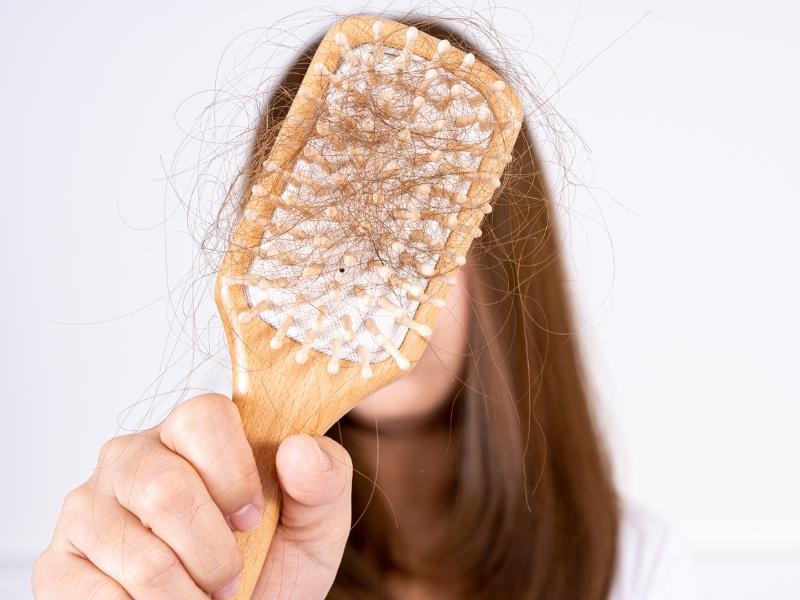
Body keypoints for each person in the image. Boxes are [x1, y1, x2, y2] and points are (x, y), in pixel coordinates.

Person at [31, 15, 697, 600]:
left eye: (408, 227)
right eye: (327, 223)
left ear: (503, 262)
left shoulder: (637, 569)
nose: (360, 268)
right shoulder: (173, 549)